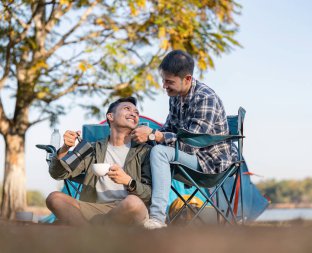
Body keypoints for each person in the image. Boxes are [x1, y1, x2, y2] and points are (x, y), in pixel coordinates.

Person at [132, 50, 236, 229]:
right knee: (147, 149)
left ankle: (157, 218)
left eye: (169, 81)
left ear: (187, 79)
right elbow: (168, 130)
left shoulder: (205, 98)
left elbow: (191, 144)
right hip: (191, 158)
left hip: (210, 164)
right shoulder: (176, 97)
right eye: (164, 80)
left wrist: (154, 135)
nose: (164, 86)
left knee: (159, 152)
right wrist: (145, 135)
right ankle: (138, 213)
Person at [46, 97, 152, 226]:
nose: (133, 113)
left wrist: (128, 181)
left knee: (132, 202)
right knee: (54, 198)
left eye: (136, 112)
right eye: (127, 109)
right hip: (96, 209)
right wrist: (64, 149)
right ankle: (92, 234)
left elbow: (150, 194)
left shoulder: (144, 151)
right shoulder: (92, 149)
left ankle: (92, 232)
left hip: (129, 208)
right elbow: (58, 174)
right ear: (110, 116)